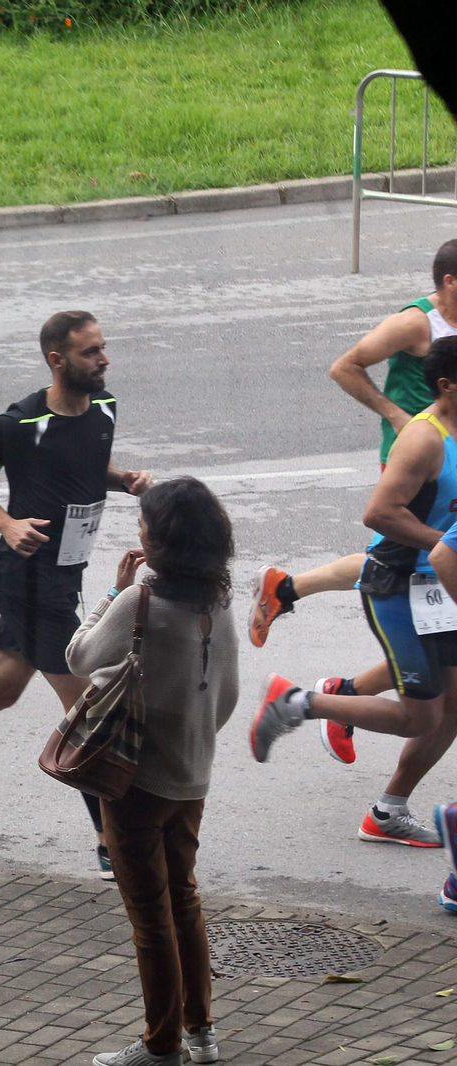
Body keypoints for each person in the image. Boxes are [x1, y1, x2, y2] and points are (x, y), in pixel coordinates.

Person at [0, 311, 151, 878]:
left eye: (103, 348)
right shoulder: (20, 424)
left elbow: (90, 461)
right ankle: (107, 840)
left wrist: (121, 481)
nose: (104, 359)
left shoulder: (104, 409)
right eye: (91, 352)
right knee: (89, 707)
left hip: (65, 574)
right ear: (57, 360)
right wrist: (5, 522)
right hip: (27, 579)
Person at [248, 240, 457, 765]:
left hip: (439, 477)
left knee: (421, 605)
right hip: (417, 456)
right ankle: (318, 693)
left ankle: (292, 596)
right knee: (395, 559)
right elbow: (346, 365)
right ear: (451, 281)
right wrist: (394, 415)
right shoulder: (417, 323)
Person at [251, 337, 457, 848]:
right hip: (398, 587)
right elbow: (379, 514)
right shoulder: (423, 439)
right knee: (420, 716)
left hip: (440, 587)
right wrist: (447, 543)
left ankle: (387, 811)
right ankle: (299, 703)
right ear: (447, 386)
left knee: (453, 707)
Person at [68, 478, 236, 1066]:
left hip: (134, 781)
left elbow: (79, 657)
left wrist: (111, 593)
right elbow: (229, 695)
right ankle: (201, 1033)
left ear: (163, 540)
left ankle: (161, 1045)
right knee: (184, 899)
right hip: (193, 777)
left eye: (144, 526)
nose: (138, 532)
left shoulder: (141, 603)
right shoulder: (217, 599)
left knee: (150, 918)